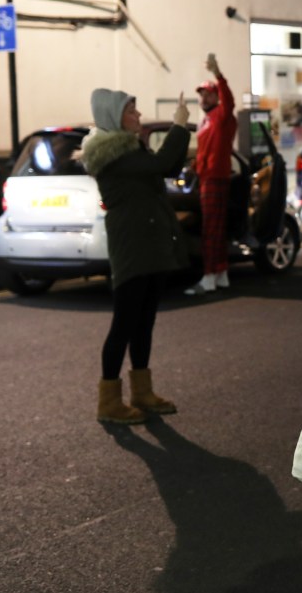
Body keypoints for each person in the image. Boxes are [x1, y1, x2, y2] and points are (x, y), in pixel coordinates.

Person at [80, 88, 190, 424]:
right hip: (132, 248)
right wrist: (180, 126)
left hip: (148, 244)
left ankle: (142, 392)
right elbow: (165, 164)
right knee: (125, 323)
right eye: (132, 111)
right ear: (115, 117)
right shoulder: (115, 154)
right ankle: (109, 401)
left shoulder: (130, 149)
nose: (139, 116)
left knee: (144, 321)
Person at [185, 53, 237, 295]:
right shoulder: (207, 119)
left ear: (216, 95)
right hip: (208, 176)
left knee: (210, 229)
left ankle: (208, 276)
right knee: (216, 228)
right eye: (201, 94)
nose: (203, 97)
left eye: (208, 93)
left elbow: (229, 101)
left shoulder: (222, 115)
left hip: (215, 177)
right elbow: (206, 150)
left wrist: (218, 75)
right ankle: (220, 272)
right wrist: (195, 165)